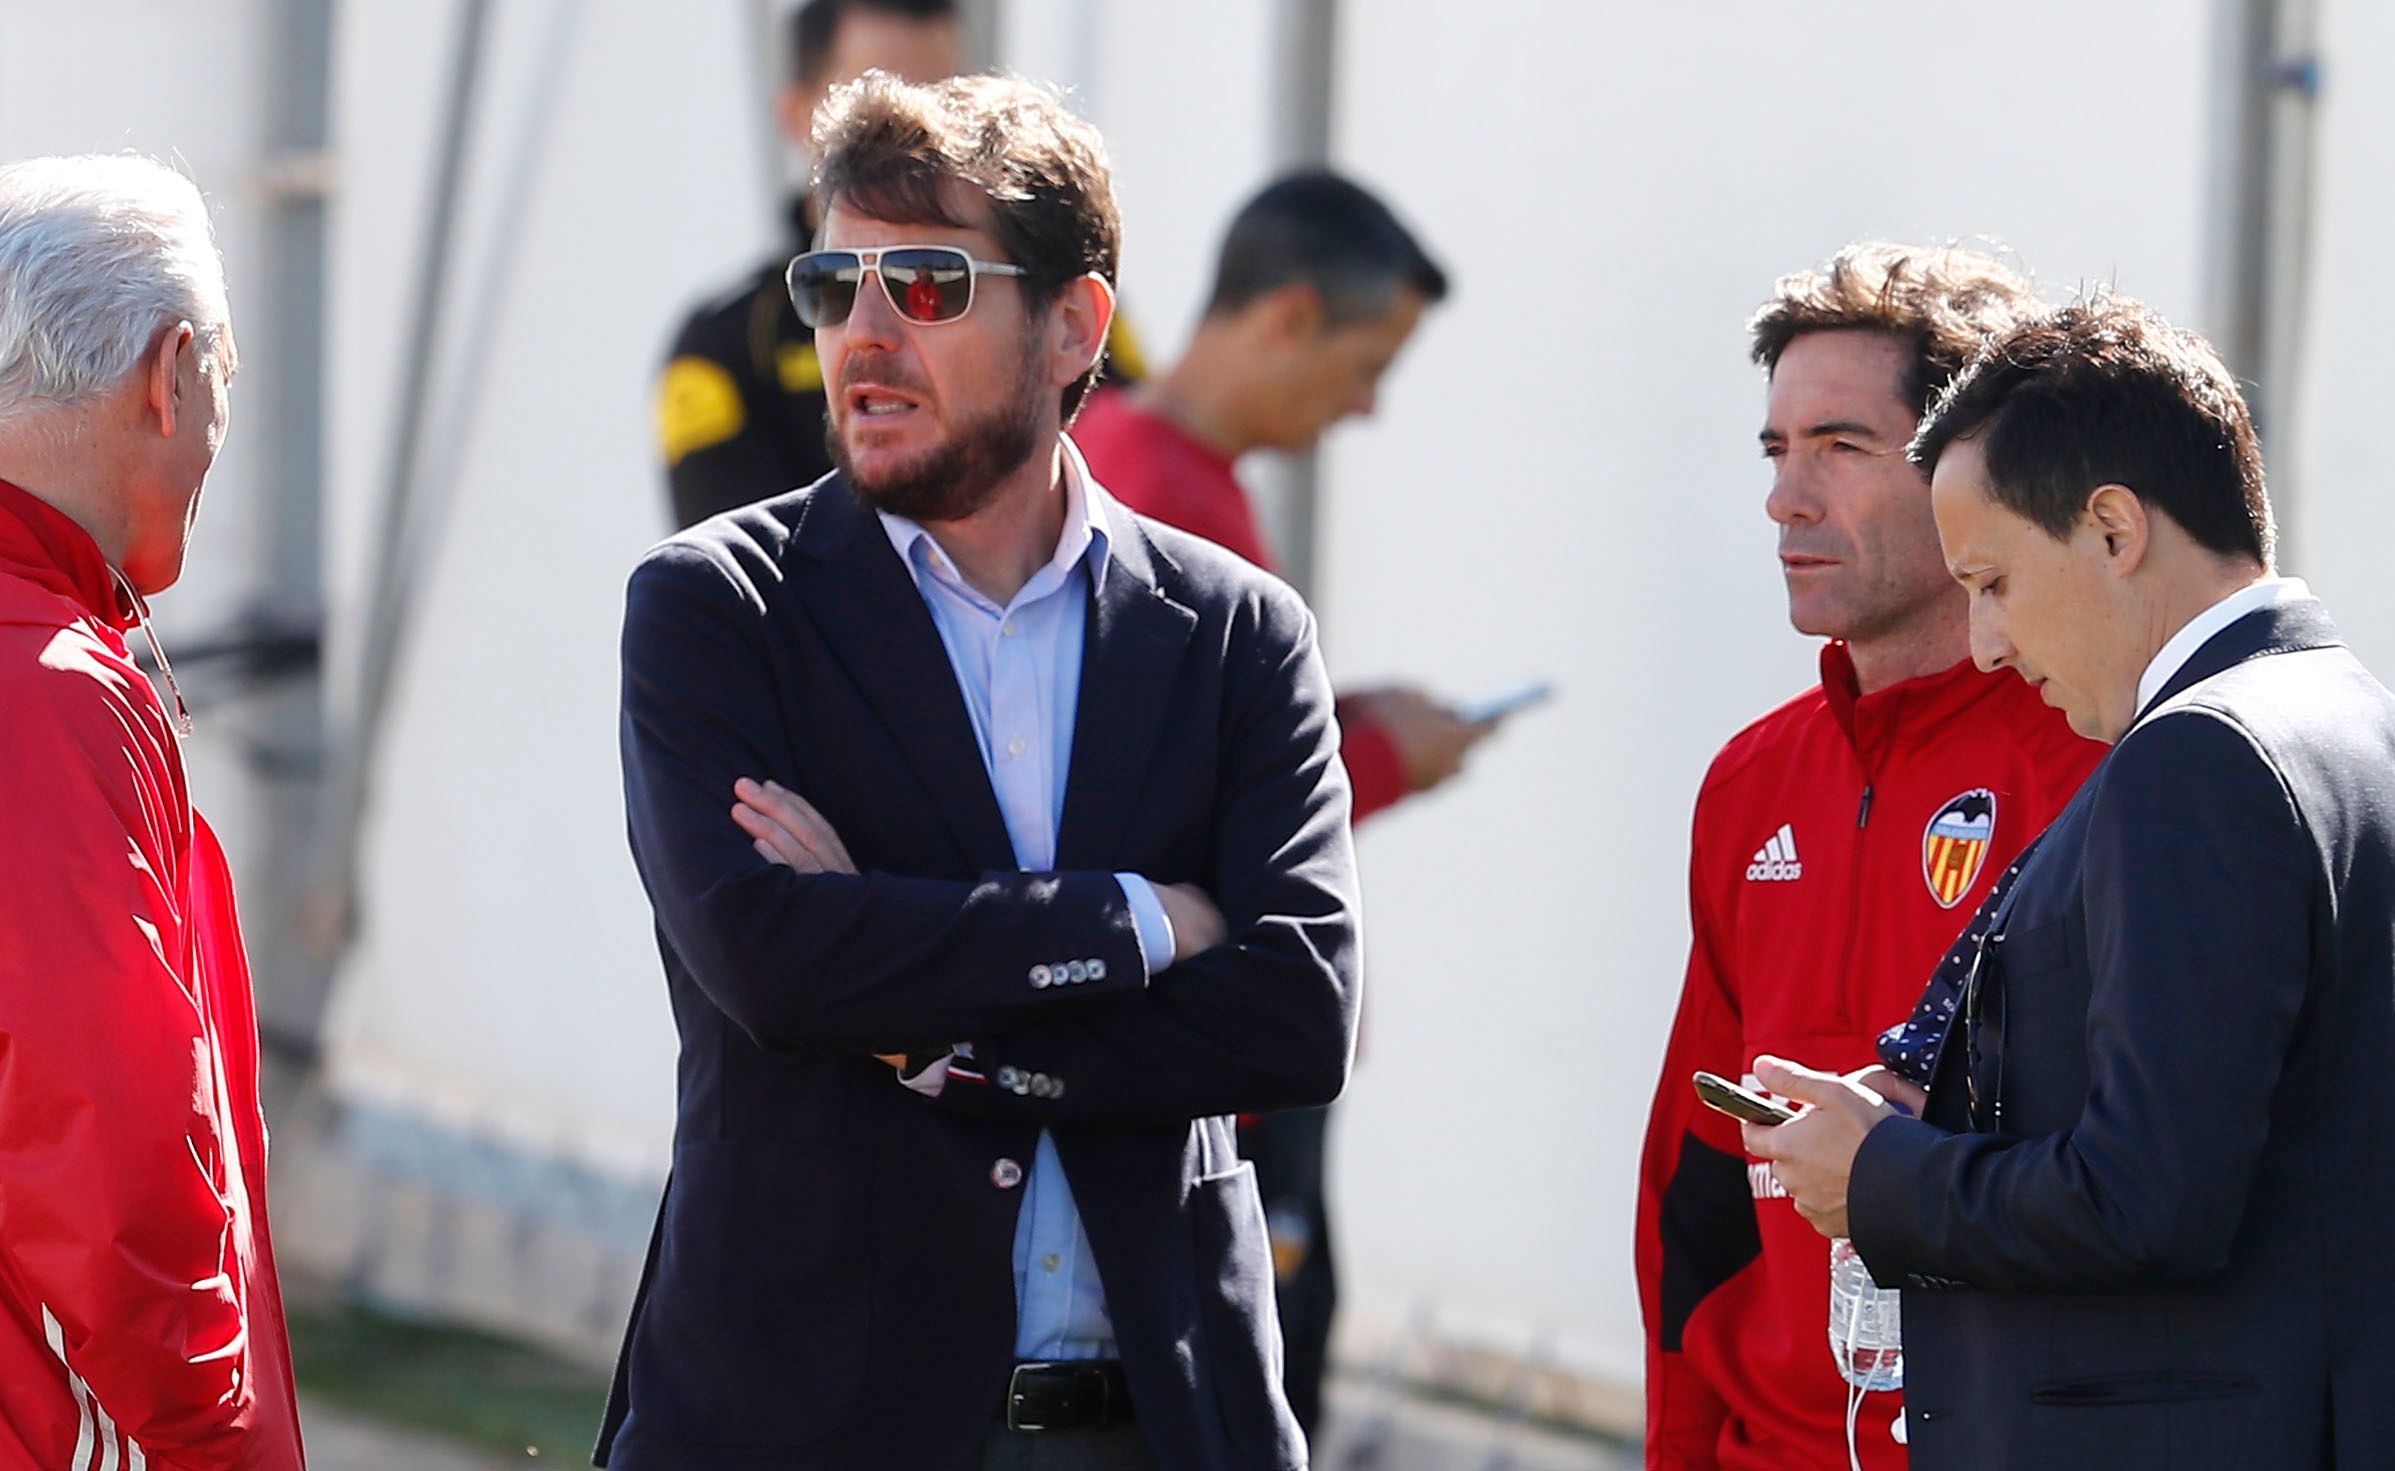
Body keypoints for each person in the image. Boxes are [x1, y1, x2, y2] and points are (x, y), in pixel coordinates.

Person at [598, 73, 1358, 1471]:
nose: (865, 335)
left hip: (1154, 1428)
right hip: (811, 1433)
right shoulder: (717, 608)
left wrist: (926, 1023)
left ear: (1074, 326)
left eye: (929, 285)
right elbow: (772, 962)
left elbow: (1296, 1015)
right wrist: (1131, 920)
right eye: (833, 284)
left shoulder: (1236, 631)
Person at [1750, 296, 2395, 1469]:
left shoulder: (2196, 755)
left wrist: (1882, 1177)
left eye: (1992, 580)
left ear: (2109, 529)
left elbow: (2149, 1198)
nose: (1986, 642)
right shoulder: (2346, 714)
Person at [1634, 243, 2103, 1471]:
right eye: (1775, 450)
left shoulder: (2098, 767)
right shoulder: (1751, 781)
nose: (1787, 498)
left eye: (1840, 446)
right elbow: (1693, 1179)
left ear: (1973, 477)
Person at [1070, 168, 1476, 1437]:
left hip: (1210, 1055)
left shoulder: (1147, 464)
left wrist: (1348, 718)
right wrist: (1386, 753)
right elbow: (1186, 797)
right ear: (1289, 316)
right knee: (1249, 1397)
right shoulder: (1158, 492)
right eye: (1367, 365)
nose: (1366, 406)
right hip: (1213, 1069)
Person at [0, 154, 306, 1471]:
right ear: (170, 373)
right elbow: (112, 1158)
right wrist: (217, 1434)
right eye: (224, 376)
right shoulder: (45, 687)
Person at [655, 0, 1143, 532]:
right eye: (872, 106)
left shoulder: (1059, 302)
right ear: (797, 117)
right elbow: (752, 562)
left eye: (941, 98)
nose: (914, 137)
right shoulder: (726, 342)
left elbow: (1145, 493)